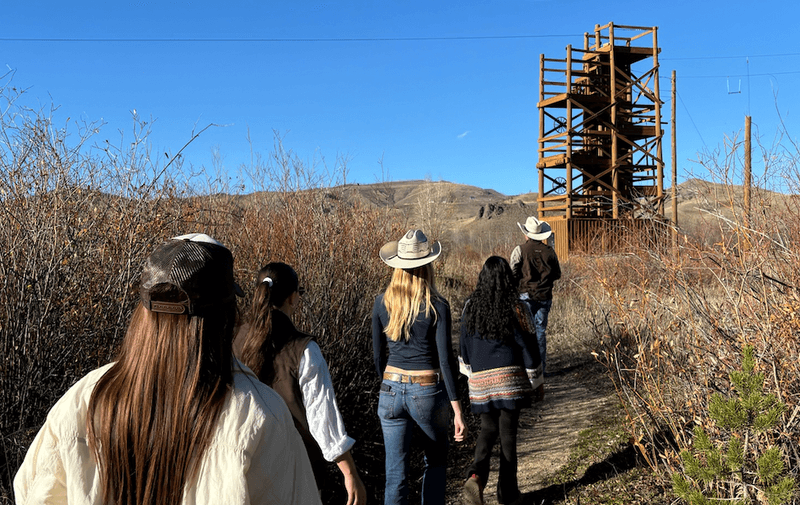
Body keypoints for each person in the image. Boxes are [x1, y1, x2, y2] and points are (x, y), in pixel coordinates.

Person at [14, 233, 321, 505]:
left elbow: (32, 492)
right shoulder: (261, 414)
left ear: (143, 315)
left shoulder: (84, 397)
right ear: (227, 316)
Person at [235, 262, 367, 505]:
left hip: (244, 464)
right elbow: (322, 417)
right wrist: (350, 473)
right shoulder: (304, 350)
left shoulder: (235, 339)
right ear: (293, 298)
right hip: (297, 466)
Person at [372, 229, 467, 505]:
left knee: (395, 475)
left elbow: (378, 357)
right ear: (428, 265)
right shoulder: (438, 306)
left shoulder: (381, 303)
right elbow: (446, 361)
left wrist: (388, 385)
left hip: (389, 388)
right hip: (426, 391)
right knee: (435, 463)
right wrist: (457, 409)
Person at [459, 256, 544, 505]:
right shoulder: (517, 306)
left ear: (482, 278)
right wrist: (536, 381)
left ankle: (475, 476)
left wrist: (470, 373)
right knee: (508, 436)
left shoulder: (469, 307)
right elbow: (529, 346)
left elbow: (464, 347)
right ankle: (508, 494)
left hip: (480, 381)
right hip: (509, 381)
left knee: (487, 430)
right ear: (508, 278)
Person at [509, 216, 561, 375]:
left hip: (525, 296)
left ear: (526, 234)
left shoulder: (520, 250)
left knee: (524, 333)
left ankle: (526, 369)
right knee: (540, 333)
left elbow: (512, 273)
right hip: (545, 297)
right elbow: (557, 274)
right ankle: (541, 370)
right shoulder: (550, 252)